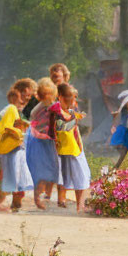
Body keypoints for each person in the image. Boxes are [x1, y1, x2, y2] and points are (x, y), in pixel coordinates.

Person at [0, 88, 33, 211]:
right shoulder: (11, 109)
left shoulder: (13, 110)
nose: (25, 100)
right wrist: (18, 132)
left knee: (16, 175)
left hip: (16, 148)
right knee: (12, 175)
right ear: (15, 98)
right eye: (23, 97)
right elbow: (4, 127)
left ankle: (14, 202)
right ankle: (5, 201)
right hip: (12, 148)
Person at [53, 83, 91, 211]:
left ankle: (80, 206)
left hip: (74, 148)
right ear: (60, 97)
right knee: (73, 177)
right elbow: (61, 127)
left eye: (74, 97)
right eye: (70, 97)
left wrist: (76, 117)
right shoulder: (57, 112)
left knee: (81, 177)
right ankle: (73, 203)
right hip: (66, 150)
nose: (73, 101)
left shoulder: (69, 111)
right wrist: (75, 119)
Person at [25, 77, 62, 211]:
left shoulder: (55, 106)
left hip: (49, 142)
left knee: (52, 169)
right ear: (40, 94)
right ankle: (37, 198)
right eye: (44, 93)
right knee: (40, 171)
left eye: (49, 93)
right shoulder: (39, 108)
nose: (46, 95)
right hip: (39, 141)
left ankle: (46, 194)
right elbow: (33, 121)